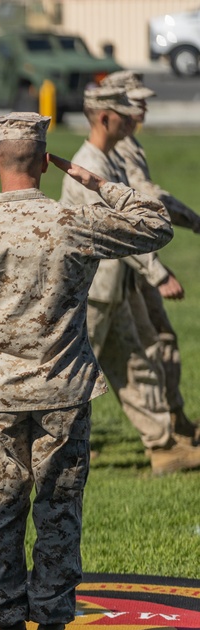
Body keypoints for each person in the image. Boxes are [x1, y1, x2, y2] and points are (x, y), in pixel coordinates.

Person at [0, 112, 172, 630]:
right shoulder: (74, 221)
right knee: (59, 513)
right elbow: (155, 224)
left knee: (3, 514)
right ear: (44, 162)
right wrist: (96, 182)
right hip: (65, 393)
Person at [60, 86, 200, 475]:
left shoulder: (109, 159)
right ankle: (50, 446)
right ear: (104, 118)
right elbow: (119, 232)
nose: (134, 117)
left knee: (135, 364)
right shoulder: (88, 164)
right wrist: (158, 273)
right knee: (70, 372)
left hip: (113, 288)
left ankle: (163, 446)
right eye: (124, 113)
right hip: (91, 292)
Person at [104, 70, 200, 446]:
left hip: (131, 265)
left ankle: (172, 424)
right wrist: (157, 270)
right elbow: (143, 201)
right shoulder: (119, 148)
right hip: (121, 267)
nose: (143, 106)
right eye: (136, 100)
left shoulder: (129, 144)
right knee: (134, 348)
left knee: (154, 342)